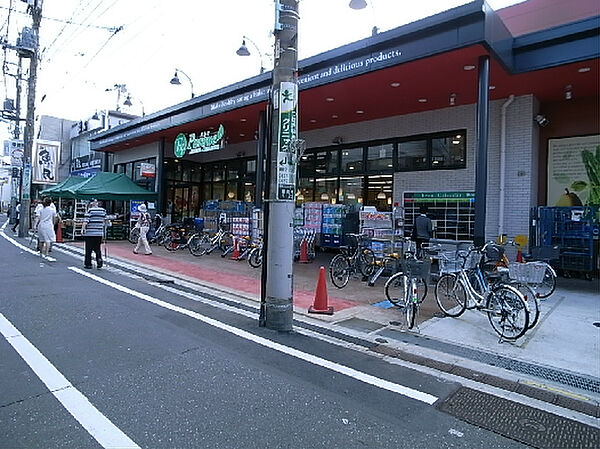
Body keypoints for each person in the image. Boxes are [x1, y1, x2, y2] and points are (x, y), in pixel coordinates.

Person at [82, 199, 106, 269]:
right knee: (97, 248)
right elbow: (105, 220)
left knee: (88, 249)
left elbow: (86, 221)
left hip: (90, 233)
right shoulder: (103, 211)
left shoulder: (90, 210)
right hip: (99, 233)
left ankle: (88, 264)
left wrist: (82, 229)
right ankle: (99, 260)